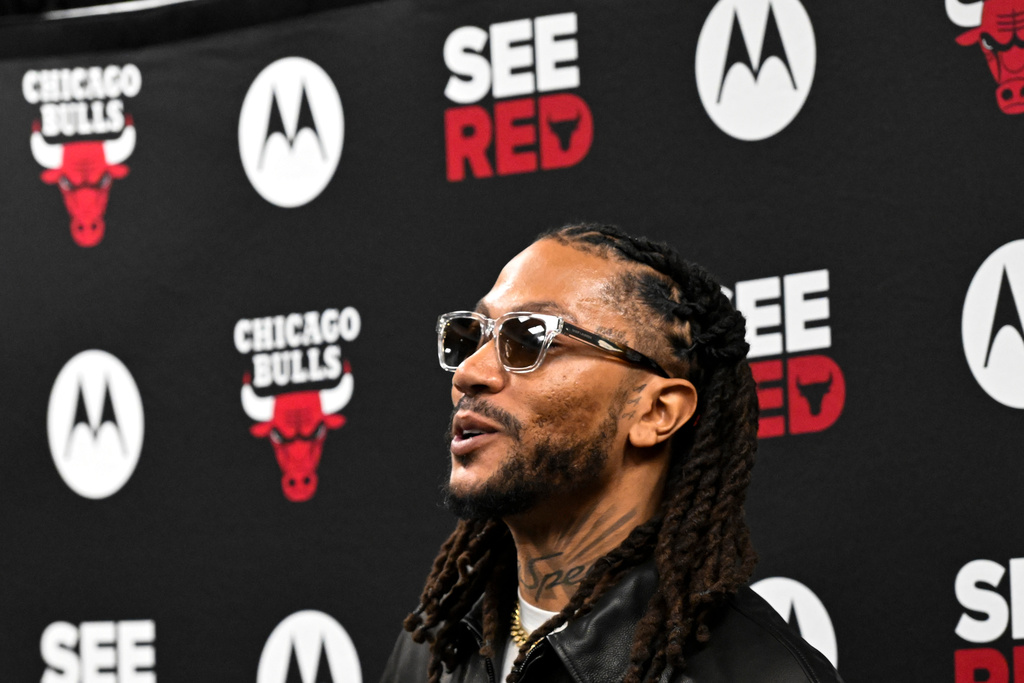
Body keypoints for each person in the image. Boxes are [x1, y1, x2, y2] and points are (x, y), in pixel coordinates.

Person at [381, 224, 843, 683]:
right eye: (473, 336)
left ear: (656, 413)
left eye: (529, 338)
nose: (468, 373)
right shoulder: (433, 649)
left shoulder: (762, 675)